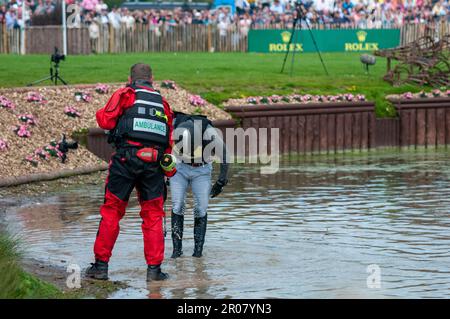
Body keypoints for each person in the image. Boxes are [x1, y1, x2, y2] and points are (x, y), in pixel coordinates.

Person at [86, 63, 175, 281]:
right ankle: (154, 271)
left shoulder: (126, 94)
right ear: (152, 79)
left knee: (112, 210)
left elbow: (104, 119)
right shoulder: (163, 104)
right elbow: (169, 143)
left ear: (130, 78)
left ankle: (100, 267)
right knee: (153, 215)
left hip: (125, 159)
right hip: (154, 162)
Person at [170, 112, 230, 259]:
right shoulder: (174, 127)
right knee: (177, 205)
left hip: (202, 170)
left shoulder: (209, 133)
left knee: (200, 208)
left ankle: (198, 253)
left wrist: (221, 181)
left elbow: (225, 155)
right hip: (179, 167)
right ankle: (177, 252)